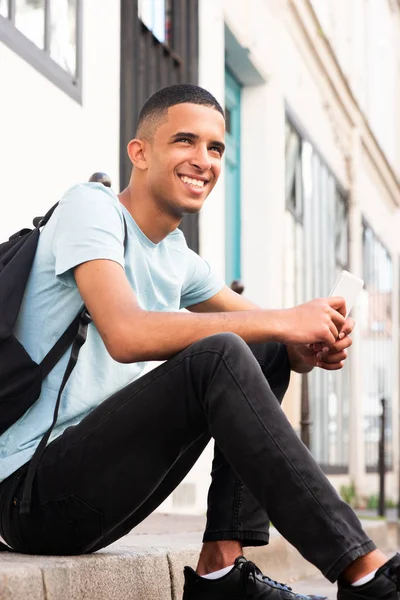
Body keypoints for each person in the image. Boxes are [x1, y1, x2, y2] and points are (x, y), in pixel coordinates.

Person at [0, 84, 398, 600]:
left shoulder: (176, 255)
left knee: (263, 346)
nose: (203, 160)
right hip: (28, 495)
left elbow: (273, 336)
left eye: (215, 148)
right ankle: (363, 572)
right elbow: (126, 334)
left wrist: (307, 343)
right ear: (140, 153)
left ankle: (221, 573)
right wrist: (286, 322)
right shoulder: (90, 208)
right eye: (185, 141)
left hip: (93, 489)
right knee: (225, 350)